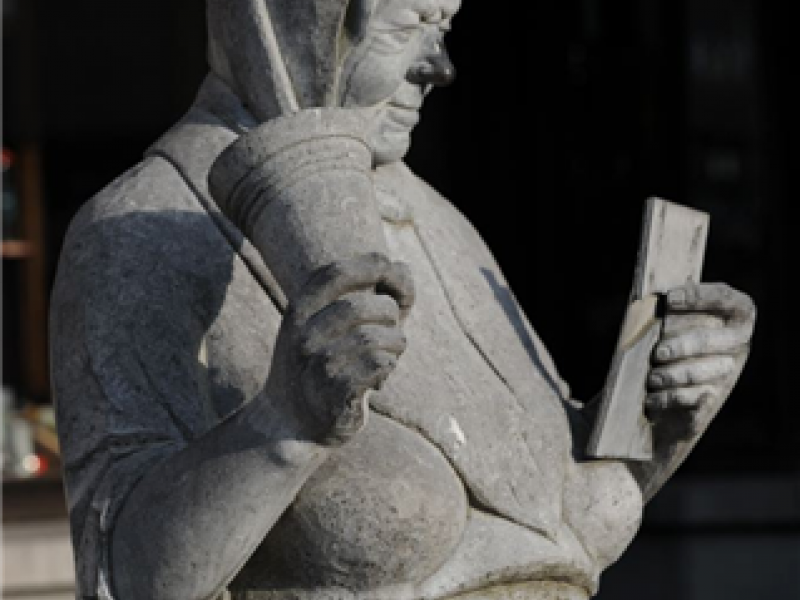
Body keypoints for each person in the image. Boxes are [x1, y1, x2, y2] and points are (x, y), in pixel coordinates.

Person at [50, 1, 756, 599]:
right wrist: (282, 423)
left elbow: (555, 513)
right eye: (408, 25)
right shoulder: (137, 233)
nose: (439, 66)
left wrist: (661, 411)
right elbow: (122, 572)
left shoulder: (441, 223)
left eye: (442, 26)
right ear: (298, 24)